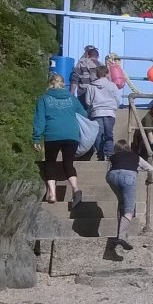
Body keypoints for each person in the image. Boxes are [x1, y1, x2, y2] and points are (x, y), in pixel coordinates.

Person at [33, 73, 88, 206]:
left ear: (49, 83)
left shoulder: (44, 99)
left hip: (53, 134)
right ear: (63, 84)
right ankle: (76, 189)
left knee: (50, 163)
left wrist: (36, 138)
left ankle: (52, 194)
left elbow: (40, 120)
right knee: (68, 163)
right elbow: (84, 114)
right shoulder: (71, 98)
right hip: (71, 134)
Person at [105, 139, 153, 251]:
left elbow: (108, 171)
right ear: (128, 148)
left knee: (122, 204)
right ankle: (121, 237)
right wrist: (149, 179)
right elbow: (150, 169)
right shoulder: (135, 157)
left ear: (116, 149)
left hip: (111, 177)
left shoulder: (112, 157)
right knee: (129, 210)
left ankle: (122, 235)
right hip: (128, 177)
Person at [84, 65, 119, 161]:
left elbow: (88, 101)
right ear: (107, 73)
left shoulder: (91, 86)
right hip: (109, 112)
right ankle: (109, 153)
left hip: (96, 112)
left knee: (98, 134)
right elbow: (118, 99)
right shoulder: (112, 85)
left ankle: (100, 154)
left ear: (97, 74)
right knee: (109, 134)